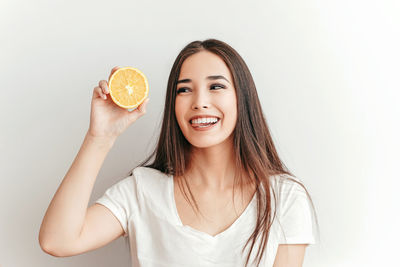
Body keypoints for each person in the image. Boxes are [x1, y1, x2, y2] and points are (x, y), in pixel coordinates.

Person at [39, 39, 318, 267]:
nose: (199, 102)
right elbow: (57, 241)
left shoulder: (284, 197)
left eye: (216, 86)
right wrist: (99, 138)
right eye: (184, 90)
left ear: (242, 99)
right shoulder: (142, 190)